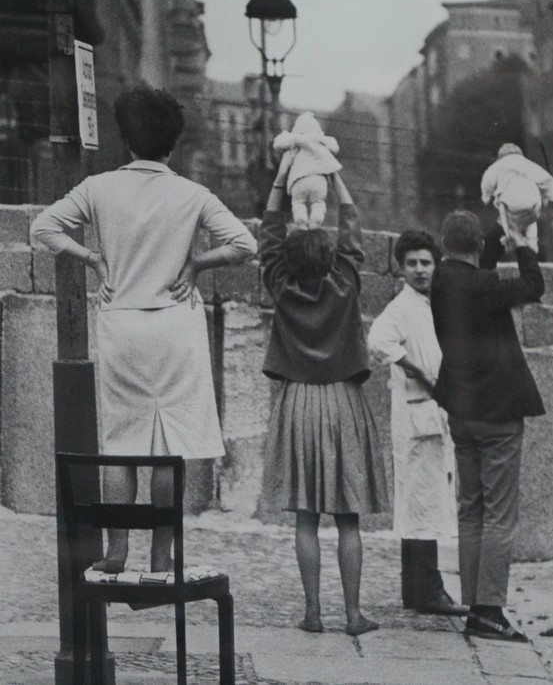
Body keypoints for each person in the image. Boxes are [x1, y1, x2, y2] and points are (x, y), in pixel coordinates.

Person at [31, 86, 257, 573]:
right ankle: (162, 552)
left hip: (122, 324)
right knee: (167, 449)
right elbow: (243, 244)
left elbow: (43, 229)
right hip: (175, 326)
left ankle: (116, 550)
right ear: (171, 144)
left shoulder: (99, 188)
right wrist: (197, 264)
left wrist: (93, 259)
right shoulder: (192, 194)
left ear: (125, 139)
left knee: (121, 443)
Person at [258, 163, 389, 637]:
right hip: (343, 401)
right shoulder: (346, 282)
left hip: (297, 402)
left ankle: (313, 612)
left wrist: (281, 179)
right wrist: (335, 177)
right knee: (348, 518)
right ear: (332, 257)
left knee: (306, 518)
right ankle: (354, 616)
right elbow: (353, 234)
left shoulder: (280, 284)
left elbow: (269, 237)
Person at [430, 211, 545, 642]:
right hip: (497, 413)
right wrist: (524, 244)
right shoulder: (485, 287)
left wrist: (502, 226)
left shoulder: (441, 279)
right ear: (476, 246)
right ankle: (490, 610)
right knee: (500, 515)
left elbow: (481, 266)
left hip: (461, 410)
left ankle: (474, 605)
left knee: (471, 510)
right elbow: (534, 286)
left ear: (443, 245)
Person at [368, 230, 467, 617]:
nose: (420, 269)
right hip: (417, 412)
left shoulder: (433, 303)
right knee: (422, 501)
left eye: (426, 262)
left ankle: (415, 589)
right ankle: (429, 590)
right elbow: (377, 342)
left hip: (431, 411)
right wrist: (416, 368)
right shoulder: (401, 307)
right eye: (412, 263)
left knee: (421, 501)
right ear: (401, 267)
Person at [480, 143, 553, 254]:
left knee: (507, 222)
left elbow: (487, 180)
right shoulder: (528, 164)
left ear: (500, 157)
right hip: (533, 201)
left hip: (511, 203)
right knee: (531, 220)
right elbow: (546, 179)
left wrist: (486, 196)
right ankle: (532, 241)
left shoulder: (499, 165)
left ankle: (509, 239)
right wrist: (551, 197)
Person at [273, 111, 342, 229]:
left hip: (298, 180)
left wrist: (293, 138)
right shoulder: (319, 139)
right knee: (318, 202)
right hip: (318, 180)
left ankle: (300, 219)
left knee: (298, 203)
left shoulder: (294, 139)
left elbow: (277, 144)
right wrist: (321, 139)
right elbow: (335, 147)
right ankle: (316, 219)